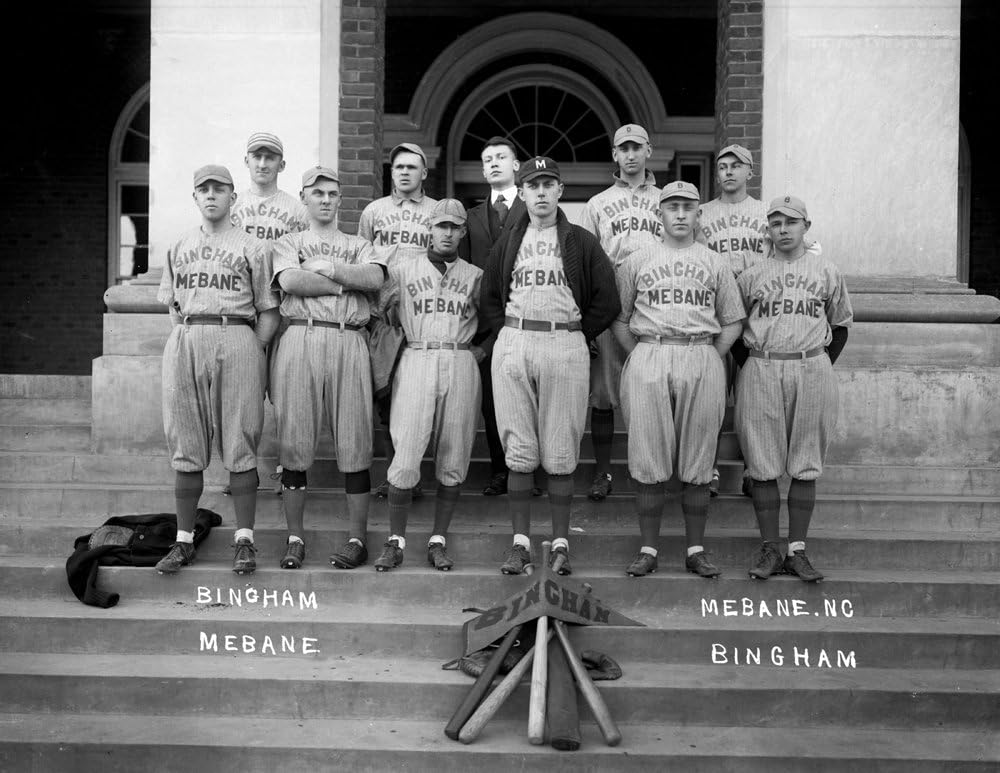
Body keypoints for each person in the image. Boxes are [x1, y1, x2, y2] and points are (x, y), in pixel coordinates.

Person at [481, 156, 620, 576]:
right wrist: (506, 334)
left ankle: (560, 543)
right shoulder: (509, 241)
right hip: (516, 338)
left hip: (564, 340)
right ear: (521, 192)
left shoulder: (581, 240)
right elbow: (488, 296)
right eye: (533, 185)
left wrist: (579, 333)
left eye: (549, 184)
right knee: (519, 448)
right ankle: (520, 543)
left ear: (561, 190)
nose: (541, 192)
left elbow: (608, 301)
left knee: (560, 449)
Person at [613, 181, 745, 579]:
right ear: (661, 213)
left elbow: (733, 321)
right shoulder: (637, 260)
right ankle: (649, 548)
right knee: (649, 455)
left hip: (700, 351)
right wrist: (639, 353)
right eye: (673, 207)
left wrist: (708, 355)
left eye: (688, 206)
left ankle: (695, 549)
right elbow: (620, 320)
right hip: (650, 351)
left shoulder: (714, 262)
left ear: (699, 214)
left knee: (698, 455)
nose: (681, 214)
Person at [154, 164, 280, 575]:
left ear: (233, 197)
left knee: (241, 438)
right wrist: (190, 337)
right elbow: (173, 308)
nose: (211, 195)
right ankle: (184, 540)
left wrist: (251, 348)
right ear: (194, 197)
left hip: (237, 334)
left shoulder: (252, 246)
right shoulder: (179, 245)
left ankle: (245, 541)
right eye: (203, 189)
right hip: (189, 336)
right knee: (186, 439)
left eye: (219, 188)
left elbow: (269, 309)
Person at [268, 166, 387, 570]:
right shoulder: (289, 241)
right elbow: (290, 282)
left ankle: (357, 538)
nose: (324, 199)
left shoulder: (358, 242)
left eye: (332, 193)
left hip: (349, 338)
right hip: (301, 335)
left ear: (340, 199)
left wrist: (330, 268)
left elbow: (373, 277)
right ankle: (295, 536)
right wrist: (340, 286)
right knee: (295, 440)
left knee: (355, 440)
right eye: (316, 192)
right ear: (303, 197)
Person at [735, 195, 852, 582]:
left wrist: (817, 364)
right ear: (767, 229)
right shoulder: (752, 274)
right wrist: (752, 366)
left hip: (811, 365)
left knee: (805, 463)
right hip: (763, 365)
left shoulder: (826, 270)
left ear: (806, 226)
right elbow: (735, 328)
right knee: (764, 464)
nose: (783, 229)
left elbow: (841, 325)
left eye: (791, 222)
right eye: (775, 223)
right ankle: (771, 548)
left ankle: (797, 550)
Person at [373, 199, 491, 571]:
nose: (447, 233)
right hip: (418, 355)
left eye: (455, 227)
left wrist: (481, 352)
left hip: (459, 358)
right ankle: (396, 541)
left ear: (463, 231)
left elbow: (498, 319)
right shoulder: (403, 270)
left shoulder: (476, 275)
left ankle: (438, 539)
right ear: (429, 228)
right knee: (406, 450)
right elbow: (376, 312)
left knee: (454, 453)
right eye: (441, 226)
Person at [579, 123, 663, 501]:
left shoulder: (667, 199)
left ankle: (655, 468)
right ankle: (602, 472)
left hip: (655, 300)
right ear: (614, 155)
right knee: (603, 391)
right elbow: (584, 263)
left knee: (653, 386)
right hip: (612, 298)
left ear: (649, 151)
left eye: (636, 147)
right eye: (623, 148)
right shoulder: (597, 203)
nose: (630, 154)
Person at [458, 136, 543, 498]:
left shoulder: (534, 210)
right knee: (494, 401)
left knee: (530, 397)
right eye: (487, 159)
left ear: (515, 165)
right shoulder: (472, 216)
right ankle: (499, 469)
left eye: (501, 157)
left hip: (529, 316)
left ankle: (531, 471)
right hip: (485, 322)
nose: (493, 163)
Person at [359, 143, 438, 499]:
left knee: (420, 395)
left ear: (424, 173)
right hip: (384, 316)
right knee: (388, 395)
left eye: (412, 167)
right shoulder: (374, 211)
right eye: (398, 167)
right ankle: (395, 474)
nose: (404, 172)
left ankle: (416, 474)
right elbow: (362, 263)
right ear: (391, 173)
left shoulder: (437, 211)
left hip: (424, 313)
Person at [697, 144, 768, 498]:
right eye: (722, 166)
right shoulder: (702, 213)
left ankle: (754, 470)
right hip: (715, 314)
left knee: (752, 397)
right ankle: (707, 469)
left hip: (756, 314)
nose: (728, 172)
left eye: (736, 166)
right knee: (712, 395)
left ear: (749, 172)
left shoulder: (766, 212)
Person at [231, 132, 309, 241]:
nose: (262, 165)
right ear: (247, 161)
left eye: (270, 158)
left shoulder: (298, 211)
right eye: (257, 157)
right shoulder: (232, 207)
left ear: (281, 166)